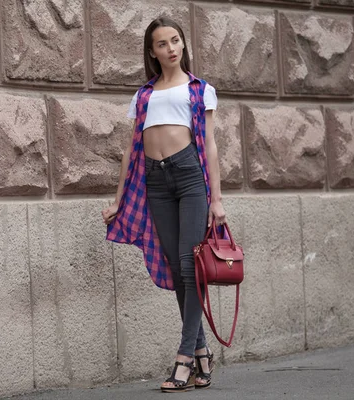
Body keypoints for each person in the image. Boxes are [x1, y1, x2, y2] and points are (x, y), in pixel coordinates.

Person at [101, 17, 226, 392]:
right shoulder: (143, 95)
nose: (171, 48)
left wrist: (216, 200)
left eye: (175, 40)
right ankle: (203, 353)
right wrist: (119, 199)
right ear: (152, 52)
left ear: (183, 45)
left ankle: (184, 358)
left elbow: (210, 145)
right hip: (154, 180)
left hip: (189, 176)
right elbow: (130, 150)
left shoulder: (200, 90)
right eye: (162, 44)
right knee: (177, 270)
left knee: (190, 266)